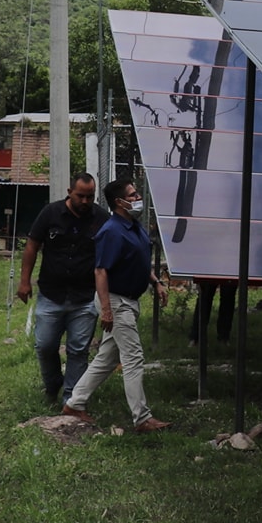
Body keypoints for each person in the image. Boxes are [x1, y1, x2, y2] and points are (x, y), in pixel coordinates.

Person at [64, 178, 169, 432]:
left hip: (129, 300)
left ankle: (74, 403)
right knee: (133, 358)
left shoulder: (134, 226)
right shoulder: (111, 231)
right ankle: (142, 418)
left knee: (107, 358)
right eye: (132, 195)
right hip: (116, 301)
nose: (137, 199)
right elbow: (101, 271)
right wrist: (107, 309)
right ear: (119, 202)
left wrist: (155, 282)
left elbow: (137, 261)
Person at [17, 173, 99, 407]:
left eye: (90, 197)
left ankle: (70, 400)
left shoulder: (99, 218)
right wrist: (24, 282)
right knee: (44, 345)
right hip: (51, 295)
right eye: (80, 196)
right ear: (69, 192)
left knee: (78, 350)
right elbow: (32, 246)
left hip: (84, 297)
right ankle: (53, 384)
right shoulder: (50, 213)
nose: (85, 201)